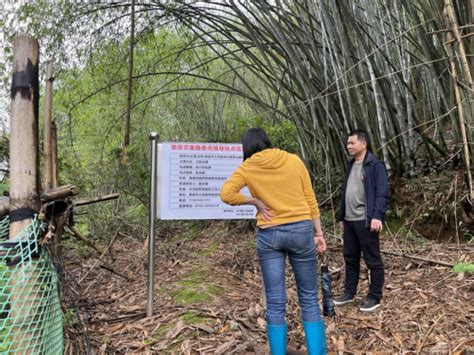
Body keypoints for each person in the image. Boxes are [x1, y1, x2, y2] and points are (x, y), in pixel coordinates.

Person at [220, 128, 327, 355]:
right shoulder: (294, 160)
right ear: (267, 141)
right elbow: (310, 198)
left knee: (276, 300)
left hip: (270, 234)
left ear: (247, 148)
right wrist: (318, 232)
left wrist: (255, 201)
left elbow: (226, 194)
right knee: (308, 296)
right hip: (301, 229)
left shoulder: (248, 166)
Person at [334, 129, 388, 312]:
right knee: (350, 258)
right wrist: (342, 216)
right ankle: (349, 293)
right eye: (348, 143)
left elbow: (381, 193)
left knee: (373, 260)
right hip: (350, 221)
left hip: (366, 220)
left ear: (363, 144)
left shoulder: (375, 165)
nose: (349, 146)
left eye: (352, 143)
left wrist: (377, 216)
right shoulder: (351, 165)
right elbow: (347, 192)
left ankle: (374, 296)